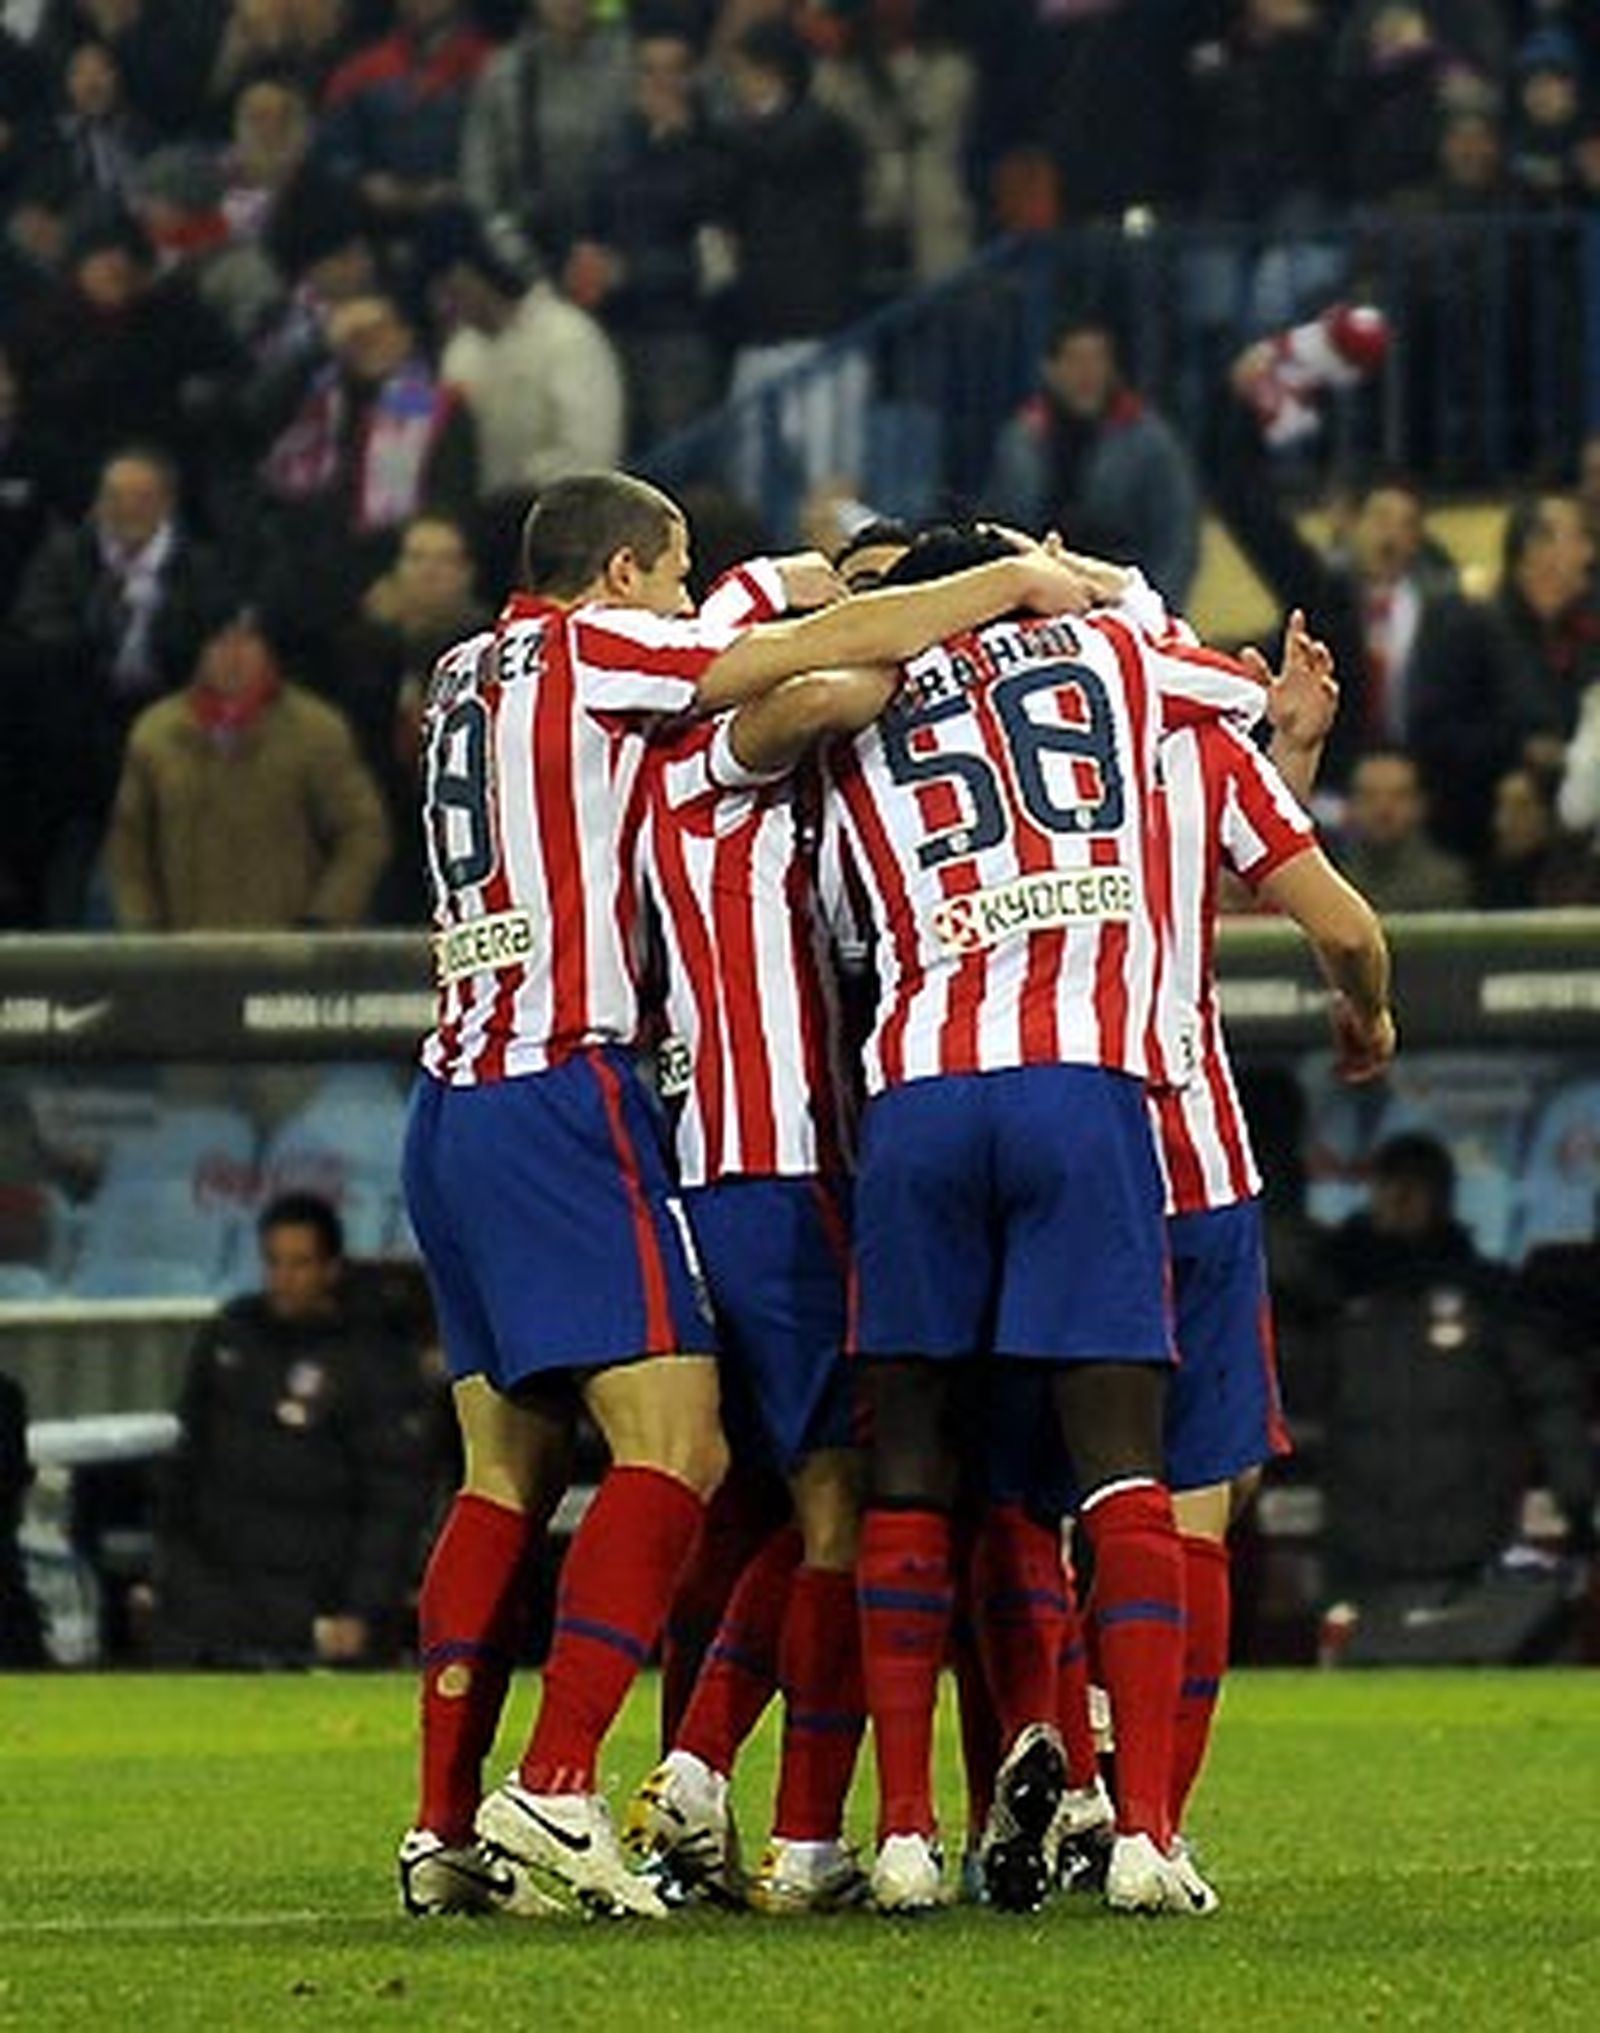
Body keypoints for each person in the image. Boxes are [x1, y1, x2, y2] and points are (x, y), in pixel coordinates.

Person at [397, 472, 1110, 1921]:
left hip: (447, 1099)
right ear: (615, 575)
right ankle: (637, 1798)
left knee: (510, 1474)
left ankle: (446, 1829)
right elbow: (796, 674)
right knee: (721, 1457)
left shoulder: (471, 671)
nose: (677, 602)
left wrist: (789, 575)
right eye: (666, 577)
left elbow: (753, 625)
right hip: (598, 1099)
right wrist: (1019, 590)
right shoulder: (625, 676)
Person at [810, 525, 1264, 1917]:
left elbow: (839, 927)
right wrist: (1073, 579)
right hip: (1085, 1085)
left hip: (920, 1094)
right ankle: (1140, 1834)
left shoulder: (861, 700)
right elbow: (1236, 699)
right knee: (1122, 1457)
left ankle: (899, 1838)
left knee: (918, 1467)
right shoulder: (1124, 654)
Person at [143, 1193, 440, 1668]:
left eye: (299, 1263)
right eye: (273, 1262)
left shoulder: (373, 1361)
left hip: (314, 1600)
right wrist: (163, 1570)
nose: (283, 1278)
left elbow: (394, 1499)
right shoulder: (231, 1336)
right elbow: (187, 1460)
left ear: (331, 1268)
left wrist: (362, 1607)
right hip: (210, 1598)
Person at [105, 605, 391, 931]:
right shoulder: (156, 735)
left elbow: (363, 832)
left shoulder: (316, 731)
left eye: (246, 641)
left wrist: (324, 918)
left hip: (288, 956)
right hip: (184, 955)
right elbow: (128, 845)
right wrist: (143, 924)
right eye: (220, 642)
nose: (233, 655)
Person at [982, 318, 1201, 611]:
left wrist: (1156, 611)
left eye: (1098, 359)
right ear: (1050, 369)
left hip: (1122, 593)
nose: (1087, 373)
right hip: (1039, 593)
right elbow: (1001, 526)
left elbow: (1177, 538)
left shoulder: (1149, 438)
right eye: (1075, 360)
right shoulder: (1022, 438)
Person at [422, 203, 624, 496]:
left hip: (559, 519)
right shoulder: (460, 352)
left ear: (480, 274)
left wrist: (520, 489)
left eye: (453, 288)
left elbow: (592, 456)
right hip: (478, 522)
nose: (445, 304)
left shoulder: (569, 337)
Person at [1333, 749, 1473, 912]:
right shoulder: (1324, 881)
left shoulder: (1446, 882)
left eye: (1399, 796)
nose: (1383, 809)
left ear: (1420, 805)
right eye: (1368, 796)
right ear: (1349, 806)